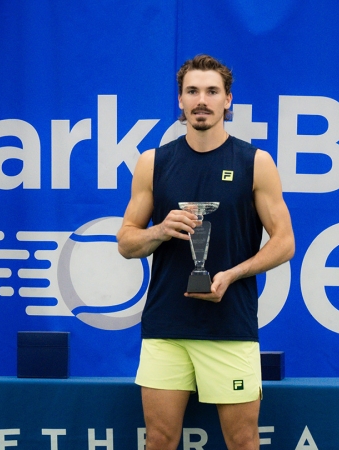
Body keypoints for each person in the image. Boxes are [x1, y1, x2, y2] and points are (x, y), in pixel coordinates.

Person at [117, 54, 295, 450]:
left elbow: (285, 242)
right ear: (180, 100)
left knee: (243, 441)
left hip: (229, 328)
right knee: (159, 440)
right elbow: (126, 242)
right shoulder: (152, 163)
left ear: (228, 99)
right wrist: (160, 230)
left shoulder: (255, 163)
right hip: (166, 328)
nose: (202, 100)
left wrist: (232, 274)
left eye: (212, 91)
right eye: (192, 91)